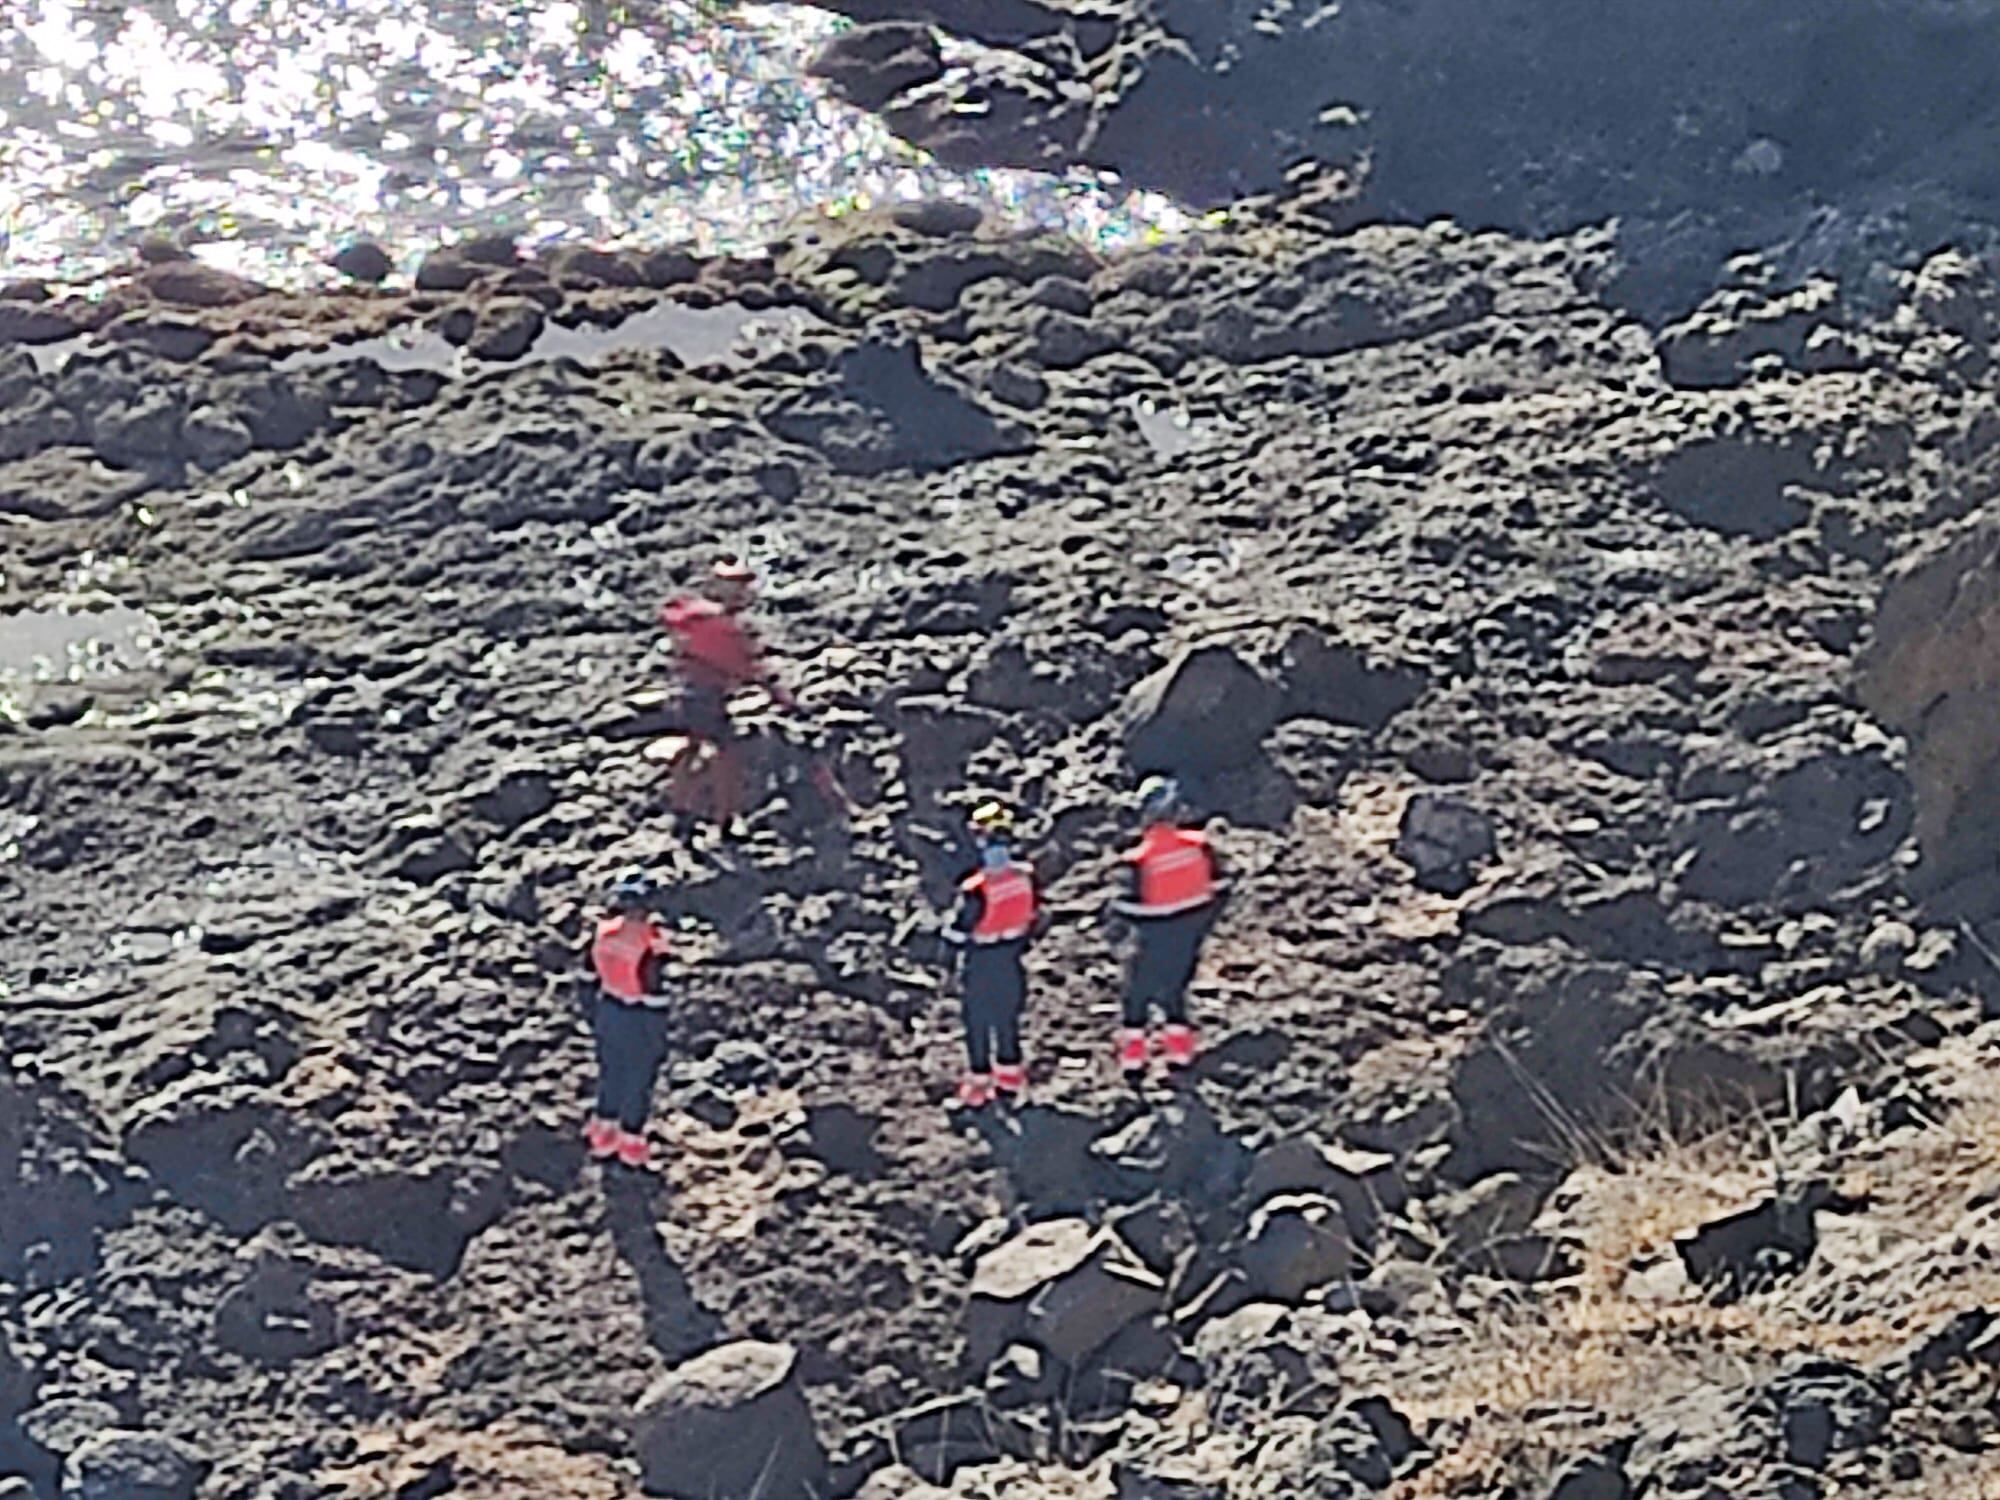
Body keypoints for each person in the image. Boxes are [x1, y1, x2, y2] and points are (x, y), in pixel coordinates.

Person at [658, 558, 793, 831]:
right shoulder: (719, 625)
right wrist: (779, 694)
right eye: (737, 588)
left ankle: (680, 809)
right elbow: (742, 664)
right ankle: (725, 819)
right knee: (727, 753)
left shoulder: (693, 617)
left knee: (692, 746)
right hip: (705, 696)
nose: (743, 594)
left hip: (683, 692)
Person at [1111, 776, 1223, 1078]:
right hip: (1190, 937)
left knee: (1136, 996)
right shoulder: (1199, 846)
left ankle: (1134, 1059)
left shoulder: (1139, 860)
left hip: (1152, 937)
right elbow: (1218, 887)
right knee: (1174, 993)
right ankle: (1180, 1054)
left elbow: (1128, 906)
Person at [940, 801, 1039, 1108]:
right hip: (1012, 961)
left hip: (980, 964)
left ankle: (979, 1088)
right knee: (1007, 1022)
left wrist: (946, 945)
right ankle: (1009, 1084)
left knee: (978, 1025)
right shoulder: (1024, 877)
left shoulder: (977, 889)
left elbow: (959, 931)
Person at [586, 871, 675, 1167]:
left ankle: (602, 1136)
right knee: (638, 1079)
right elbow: (652, 983)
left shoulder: (604, 932)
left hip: (608, 1007)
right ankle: (631, 1145)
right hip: (640, 1014)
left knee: (611, 1072)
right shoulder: (648, 943)